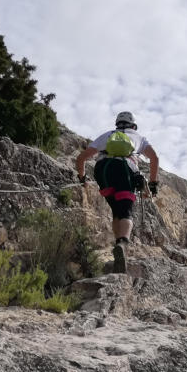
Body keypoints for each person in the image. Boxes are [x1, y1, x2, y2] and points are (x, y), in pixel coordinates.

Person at [75, 111, 159, 273]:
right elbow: (154, 158)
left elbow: (81, 158)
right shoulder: (138, 137)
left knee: (116, 211)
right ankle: (123, 244)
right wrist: (153, 184)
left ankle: (118, 246)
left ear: (117, 124)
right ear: (133, 125)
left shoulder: (107, 135)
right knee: (126, 211)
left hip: (102, 170)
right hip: (124, 169)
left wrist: (82, 178)